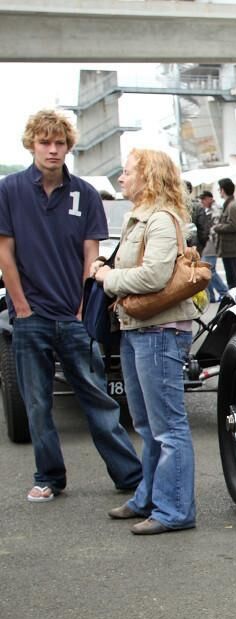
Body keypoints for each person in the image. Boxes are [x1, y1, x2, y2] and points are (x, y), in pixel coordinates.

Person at [0, 108, 141, 502]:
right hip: (30, 319)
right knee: (38, 404)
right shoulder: (8, 190)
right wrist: (22, 308)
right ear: (32, 144)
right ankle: (48, 477)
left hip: (74, 317)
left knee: (97, 400)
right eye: (45, 142)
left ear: (68, 147)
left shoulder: (85, 193)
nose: (53, 149)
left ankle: (130, 476)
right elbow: (5, 255)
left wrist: (80, 309)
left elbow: (90, 257)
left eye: (60, 143)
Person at [90, 148, 199, 534]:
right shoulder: (144, 218)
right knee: (148, 424)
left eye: (127, 172)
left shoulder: (160, 219)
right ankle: (149, 498)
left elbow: (153, 277)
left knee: (167, 426)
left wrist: (106, 279)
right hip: (141, 330)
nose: (121, 178)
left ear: (148, 177)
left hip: (159, 331)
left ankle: (174, 511)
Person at [211, 178, 236, 288]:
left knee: (234, 280)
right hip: (229, 249)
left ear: (223, 190)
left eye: (219, 189)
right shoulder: (229, 204)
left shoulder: (233, 206)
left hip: (233, 249)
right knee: (231, 279)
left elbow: (234, 225)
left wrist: (217, 227)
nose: (219, 192)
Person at [195, 190, 228, 302]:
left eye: (204, 199)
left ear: (209, 198)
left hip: (211, 242)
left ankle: (224, 292)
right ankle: (211, 296)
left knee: (209, 269)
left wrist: (206, 237)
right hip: (206, 242)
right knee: (206, 269)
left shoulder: (215, 209)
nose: (202, 201)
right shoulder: (206, 209)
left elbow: (214, 226)